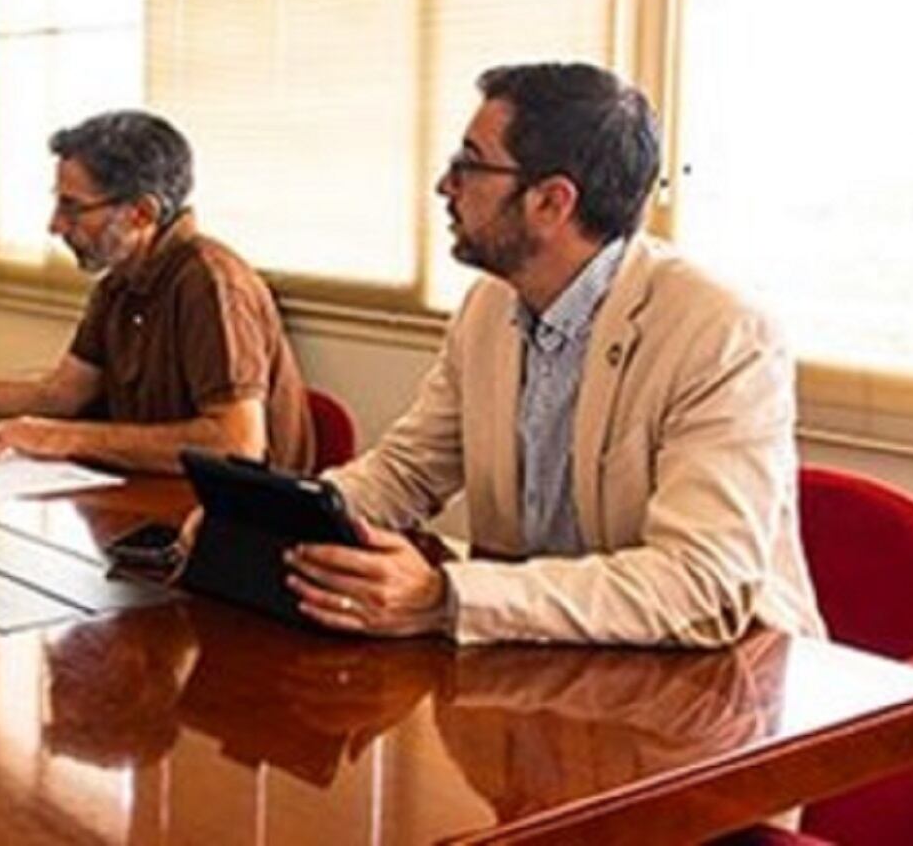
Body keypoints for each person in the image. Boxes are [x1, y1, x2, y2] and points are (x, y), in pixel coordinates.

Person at [276, 62, 823, 647]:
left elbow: (698, 583)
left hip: (716, 683)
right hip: (545, 661)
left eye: (469, 165)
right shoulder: (489, 306)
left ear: (551, 202)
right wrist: (281, 520)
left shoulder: (722, 332)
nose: (445, 185)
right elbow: (407, 471)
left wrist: (446, 597)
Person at [0, 109, 313, 474]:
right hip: (148, 505)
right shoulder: (121, 280)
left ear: (141, 213)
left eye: (73, 208)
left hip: (237, 535)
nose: (55, 226)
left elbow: (238, 444)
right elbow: (61, 395)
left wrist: (62, 437)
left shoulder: (211, 283)